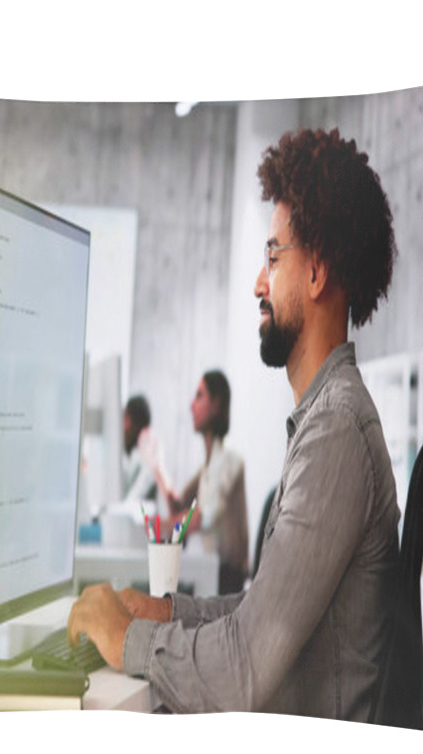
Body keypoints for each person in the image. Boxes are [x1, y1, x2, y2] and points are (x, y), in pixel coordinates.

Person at [67, 128, 401, 721]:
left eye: (273, 257)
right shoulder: (323, 421)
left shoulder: (336, 434)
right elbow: (257, 617)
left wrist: (123, 640)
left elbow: (243, 668)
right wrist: (164, 614)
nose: (258, 282)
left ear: (318, 272)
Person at [155, 370, 249, 594]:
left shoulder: (230, 462)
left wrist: (158, 525)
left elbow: (202, 519)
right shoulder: (206, 468)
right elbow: (179, 507)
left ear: (216, 404)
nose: (191, 406)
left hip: (227, 582)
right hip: (210, 573)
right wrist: (158, 468)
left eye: (199, 396)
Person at [120, 395, 158, 503]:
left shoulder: (147, 459)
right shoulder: (131, 457)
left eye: (125, 418)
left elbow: (132, 499)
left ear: (135, 424)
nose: (123, 425)